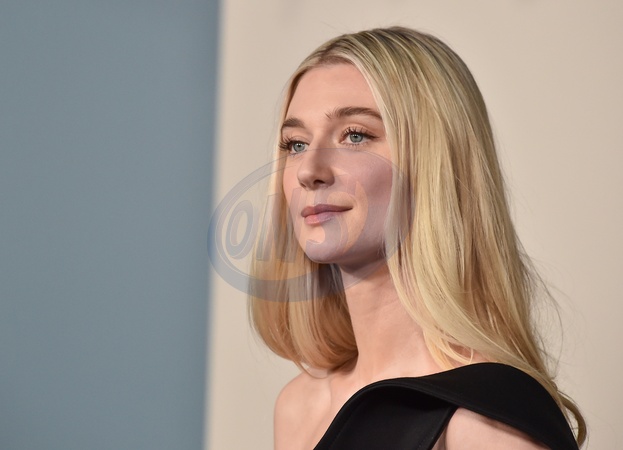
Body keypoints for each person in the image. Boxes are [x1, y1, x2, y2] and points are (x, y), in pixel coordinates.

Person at [248, 27, 586, 449]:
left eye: (355, 135)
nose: (308, 170)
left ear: (435, 160)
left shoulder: (483, 425)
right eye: (296, 144)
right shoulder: (299, 408)